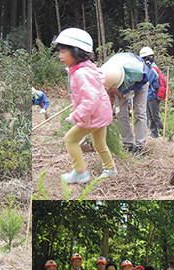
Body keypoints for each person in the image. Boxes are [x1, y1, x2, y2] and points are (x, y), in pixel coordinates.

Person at [53, 28, 117, 184]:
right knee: (99, 144)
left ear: (76, 52)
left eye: (63, 52)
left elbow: (91, 100)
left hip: (93, 115)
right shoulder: (86, 68)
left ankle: (80, 172)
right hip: (101, 113)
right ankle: (110, 169)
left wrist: (77, 116)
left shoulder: (81, 73)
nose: (60, 56)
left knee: (70, 139)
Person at [100, 51, 157, 154]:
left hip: (140, 84)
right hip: (118, 84)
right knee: (120, 113)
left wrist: (130, 92)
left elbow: (148, 77)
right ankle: (128, 144)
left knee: (140, 111)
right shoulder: (106, 72)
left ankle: (140, 145)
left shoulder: (137, 70)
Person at [140, 46, 166, 138]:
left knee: (155, 116)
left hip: (153, 95)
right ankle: (154, 133)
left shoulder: (153, 69)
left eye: (144, 58)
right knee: (151, 117)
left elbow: (148, 81)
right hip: (149, 95)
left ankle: (164, 134)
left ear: (149, 58)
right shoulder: (150, 67)